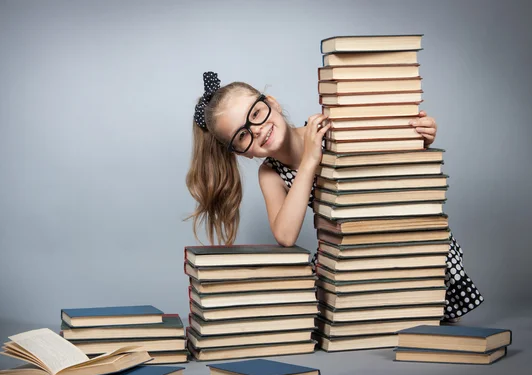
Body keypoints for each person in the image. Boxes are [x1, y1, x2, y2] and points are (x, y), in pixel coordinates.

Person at [185, 71, 483, 322]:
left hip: (392, 233)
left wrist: (418, 137)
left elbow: (384, 167)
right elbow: (286, 235)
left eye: (257, 114)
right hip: (354, 249)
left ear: (271, 103)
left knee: (421, 311)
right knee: (329, 301)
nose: (258, 130)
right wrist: (311, 161)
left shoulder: (329, 128)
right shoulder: (270, 173)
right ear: (243, 153)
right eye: (242, 135)